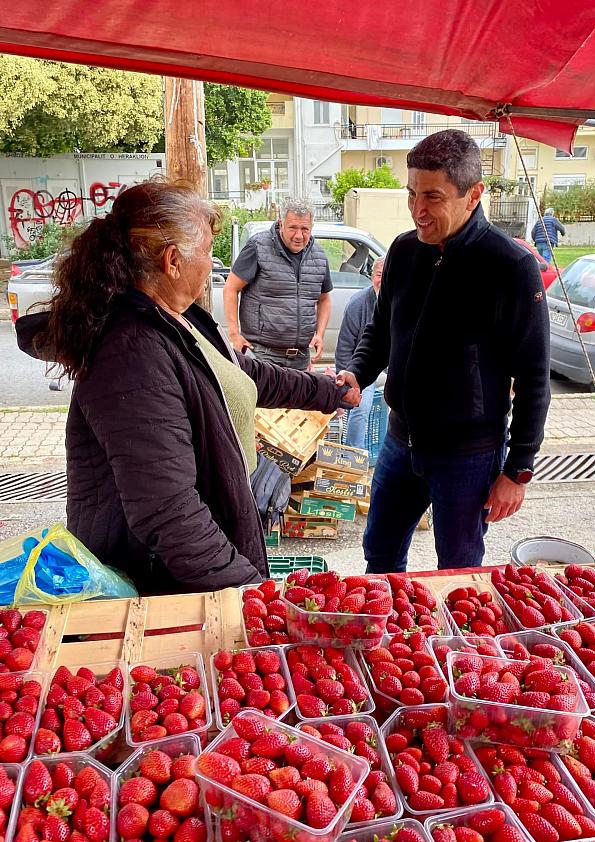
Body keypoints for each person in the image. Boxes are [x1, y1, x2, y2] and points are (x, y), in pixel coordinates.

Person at [16, 180, 358, 595]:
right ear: (173, 260)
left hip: (203, 551)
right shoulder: (130, 352)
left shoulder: (180, 319)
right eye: (209, 250)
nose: (213, 260)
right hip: (160, 580)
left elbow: (240, 375)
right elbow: (169, 513)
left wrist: (326, 392)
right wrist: (253, 593)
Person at [337, 129, 551, 571]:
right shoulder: (402, 250)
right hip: (399, 440)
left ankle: (455, 643)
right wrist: (358, 372)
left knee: (458, 568)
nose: (418, 210)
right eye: (411, 193)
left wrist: (517, 470)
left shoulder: (511, 266)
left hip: (468, 455)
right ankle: (391, 637)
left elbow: (534, 377)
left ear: (474, 194)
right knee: (378, 552)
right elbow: (381, 330)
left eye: (433, 196)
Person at [223, 198, 332, 370]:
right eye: (293, 228)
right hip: (263, 355)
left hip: (301, 358)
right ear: (281, 224)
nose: (299, 235)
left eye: (305, 229)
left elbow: (324, 299)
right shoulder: (258, 247)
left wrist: (319, 334)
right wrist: (234, 334)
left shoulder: (318, 255)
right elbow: (231, 287)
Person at [335, 255, 386, 449]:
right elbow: (344, 347)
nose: (382, 280)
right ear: (372, 276)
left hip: (392, 368)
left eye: (387, 275)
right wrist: (346, 385)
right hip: (365, 368)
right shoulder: (357, 303)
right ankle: (353, 456)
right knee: (360, 407)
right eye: (379, 275)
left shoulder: (402, 300)